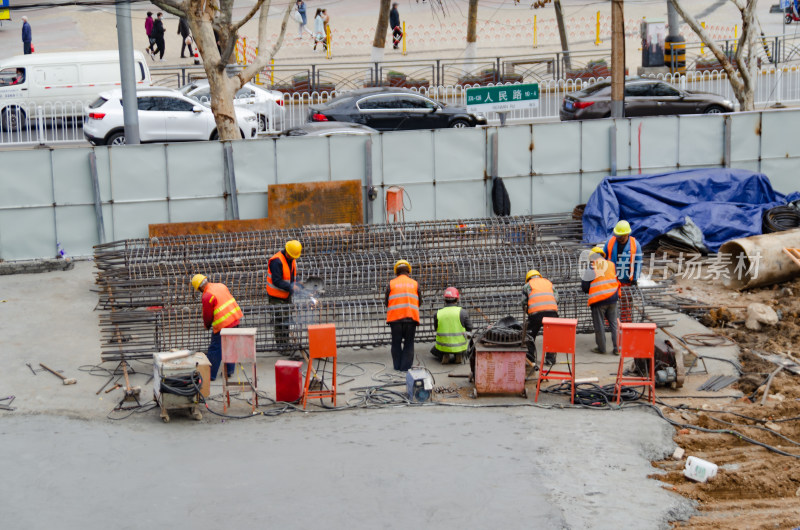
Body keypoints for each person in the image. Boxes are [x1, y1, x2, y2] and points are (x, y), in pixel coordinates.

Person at [191, 274, 243, 381]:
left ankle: (210, 374)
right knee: (230, 345)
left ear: (199, 288)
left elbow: (207, 315)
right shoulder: (220, 285)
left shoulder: (207, 296)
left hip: (223, 324)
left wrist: (207, 325)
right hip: (235, 318)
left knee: (215, 348)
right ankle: (229, 371)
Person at [581, 247, 621, 355]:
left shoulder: (592, 267)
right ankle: (617, 349)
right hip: (613, 298)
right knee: (614, 325)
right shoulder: (612, 265)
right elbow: (616, 280)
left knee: (599, 325)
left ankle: (602, 348)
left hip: (598, 300)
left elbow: (584, 286)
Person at [267, 240, 303, 351]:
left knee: (286, 321)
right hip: (276, 297)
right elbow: (276, 280)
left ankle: (286, 343)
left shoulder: (291, 260)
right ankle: (281, 346)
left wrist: (297, 283)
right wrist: (291, 287)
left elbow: (290, 276)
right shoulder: (277, 262)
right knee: (279, 321)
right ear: (287, 252)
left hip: (286, 296)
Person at [385, 259, 421, 372]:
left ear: (396, 272)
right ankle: (405, 368)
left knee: (396, 343)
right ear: (408, 272)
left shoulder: (391, 284)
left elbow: (387, 302)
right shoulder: (415, 284)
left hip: (395, 319)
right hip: (411, 319)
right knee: (409, 343)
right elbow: (420, 301)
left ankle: (397, 366)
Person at [523, 269, 559, 366]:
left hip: (536, 314)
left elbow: (524, 303)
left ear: (528, 278)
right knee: (551, 336)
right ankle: (550, 360)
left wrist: (529, 312)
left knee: (529, 335)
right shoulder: (548, 283)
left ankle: (531, 359)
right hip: (552, 312)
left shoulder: (527, 285)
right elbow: (557, 298)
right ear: (539, 276)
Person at [431, 287, 472, 365]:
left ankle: (445, 354)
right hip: (460, 346)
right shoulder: (462, 312)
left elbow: (436, 328)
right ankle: (458, 354)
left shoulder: (438, 313)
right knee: (465, 342)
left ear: (444, 299)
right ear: (457, 299)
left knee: (433, 350)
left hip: (443, 346)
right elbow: (470, 327)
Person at [604, 220, 642, 286]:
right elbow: (603, 258)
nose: (617, 237)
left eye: (619, 236)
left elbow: (638, 264)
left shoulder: (635, 245)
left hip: (626, 281)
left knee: (625, 296)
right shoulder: (610, 242)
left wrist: (635, 279)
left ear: (626, 235)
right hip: (611, 279)